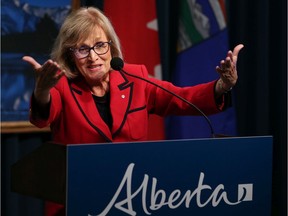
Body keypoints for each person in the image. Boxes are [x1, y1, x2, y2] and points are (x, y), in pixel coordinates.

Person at [22, 6, 243, 216]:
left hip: (131, 200)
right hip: (77, 204)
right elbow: (43, 117)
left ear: (111, 46)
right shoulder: (62, 86)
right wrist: (42, 91)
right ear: (70, 55)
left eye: (100, 45)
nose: (93, 57)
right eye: (82, 49)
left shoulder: (135, 78)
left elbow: (183, 98)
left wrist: (222, 86)